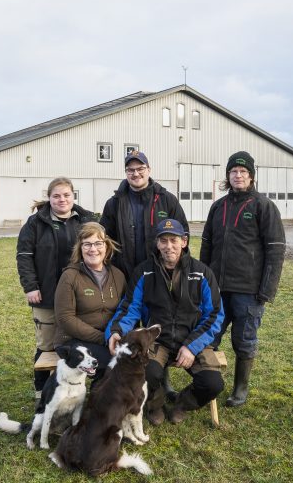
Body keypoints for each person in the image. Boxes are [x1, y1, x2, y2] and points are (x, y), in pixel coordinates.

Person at [105, 219, 224, 425]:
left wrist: (191, 346)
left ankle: (181, 403)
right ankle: (156, 404)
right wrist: (115, 331)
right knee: (145, 373)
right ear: (157, 244)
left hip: (191, 340)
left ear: (184, 241)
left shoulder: (202, 273)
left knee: (213, 384)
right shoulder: (144, 272)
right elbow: (129, 308)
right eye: (163, 241)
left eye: (174, 240)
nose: (168, 246)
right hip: (157, 340)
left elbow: (214, 315)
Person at [100, 150, 189, 399]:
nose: (136, 174)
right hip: (125, 274)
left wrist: (175, 268)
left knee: (154, 327)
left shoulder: (166, 199)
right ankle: (128, 376)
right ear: (125, 173)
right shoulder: (115, 202)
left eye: (140, 169)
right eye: (130, 170)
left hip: (158, 274)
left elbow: (183, 234)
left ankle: (161, 379)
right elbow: (105, 237)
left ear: (149, 170)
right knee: (128, 323)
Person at [200, 151, 286, 407]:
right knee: (210, 336)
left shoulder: (263, 206)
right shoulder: (218, 206)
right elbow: (206, 244)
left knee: (244, 340)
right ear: (227, 176)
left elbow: (276, 249)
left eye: (243, 172)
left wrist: (267, 290)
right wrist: (203, 281)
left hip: (248, 291)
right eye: (233, 172)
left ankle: (240, 387)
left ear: (251, 177)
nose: (238, 176)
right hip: (217, 288)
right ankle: (206, 382)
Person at [17, 177, 96, 399]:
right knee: (47, 344)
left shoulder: (86, 220)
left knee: (76, 340)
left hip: (78, 293)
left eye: (66, 195)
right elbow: (24, 256)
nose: (62, 199)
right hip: (46, 294)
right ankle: (41, 388)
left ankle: (73, 385)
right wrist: (31, 286)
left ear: (73, 196)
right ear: (49, 198)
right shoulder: (35, 223)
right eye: (56, 196)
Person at [54, 222, 125, 381]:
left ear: (106, 246)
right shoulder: (70, 276)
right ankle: (102, 398)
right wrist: (103, 338)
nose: (93, 249)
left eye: (98, 243)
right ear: (80, 248)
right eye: (87, 244)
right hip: (74, 341)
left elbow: (125, 309)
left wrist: (115, 334)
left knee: (129, 358)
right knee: (114, 361)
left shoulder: (117, 275)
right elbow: (65, 318)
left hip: (108, 338)